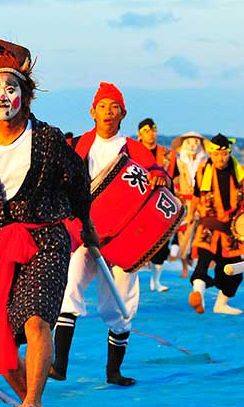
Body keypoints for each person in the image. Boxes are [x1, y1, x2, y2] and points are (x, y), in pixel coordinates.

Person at [0, 39, 94, 407]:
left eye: (11, 88)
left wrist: (87, 228)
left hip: (47, 239)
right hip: (2, 245)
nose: (3, 96)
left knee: (35, 318)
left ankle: (32, 402)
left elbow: (79, 184)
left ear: (25, 96)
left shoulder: (48, 139)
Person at [50, 82, 171, 386]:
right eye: (102, 106)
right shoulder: (76, 144)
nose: (107, 111)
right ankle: (59, 364)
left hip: (124, 239)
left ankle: (113, 371)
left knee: (120, 304)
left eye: (113, 106)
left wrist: (159, 176)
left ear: (123, 113)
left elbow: (158, 174)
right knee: (70, 290)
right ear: (92, 112)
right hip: (85, 235)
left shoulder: (132, 148)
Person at [186, 134, 244, 315]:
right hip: (208, 226)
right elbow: (196, 195)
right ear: (211, 154)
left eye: (224, 154)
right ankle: (198, 294)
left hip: (231, 230)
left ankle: (220, 304)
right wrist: (190, 214)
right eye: (216, 155)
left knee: (233, 272)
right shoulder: (202, 172)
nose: (220, 158)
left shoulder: (239, 173)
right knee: (203, 263)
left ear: (229, 153)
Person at [137, 117, 178, 292]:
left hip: (162, 202)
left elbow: (174, 178)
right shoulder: (133, 152)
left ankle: (156, 280)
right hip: (138, 204)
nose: (151, 134)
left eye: (153, 130)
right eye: (147, 131)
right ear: (140, 134)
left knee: (162, 242)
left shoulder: (167, 155)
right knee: (137, 241)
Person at [172, 132, 208, 277]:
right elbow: (173, 180)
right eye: (190, 142)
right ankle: (184, 266)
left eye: (196, 142)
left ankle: (197, 263)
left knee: (201, 235)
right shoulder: (179, 163)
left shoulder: (205, 163)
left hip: (201, 203)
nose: (193, 145)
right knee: (183, 236)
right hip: (183, 203)